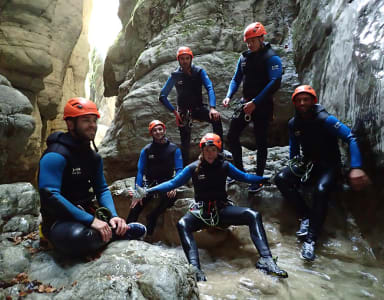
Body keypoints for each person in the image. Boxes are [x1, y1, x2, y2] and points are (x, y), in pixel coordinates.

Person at [131, 133, 288, 281]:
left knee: (252, 215)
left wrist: (263, 179)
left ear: (218, 151)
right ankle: (195, 268)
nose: (209, 153)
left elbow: (244, 177)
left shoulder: (225, 166)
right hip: (201, 211)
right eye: (206, 150)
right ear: (202, 150)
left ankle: (266, 259)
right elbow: (173, 183)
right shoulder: (193, 168)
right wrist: (147, 191)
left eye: (213, 150)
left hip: (222, 210)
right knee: (182, 224)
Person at [38, 97, 146, 257]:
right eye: (86, 120)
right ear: (70, 124)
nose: (92, 125)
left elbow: (101, 189)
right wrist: (91, 221)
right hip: (59, 218)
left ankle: (111, 231)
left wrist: (113, 216)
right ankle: (116, 234)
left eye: (94, 121)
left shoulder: (92, 157)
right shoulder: (56, 154)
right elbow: (49, 195)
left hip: (87, 213)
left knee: (89, 234)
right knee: (78, 238)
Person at [274, 85, 371, 261]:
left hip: (330, 165)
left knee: (321, 190)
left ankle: (311, 240)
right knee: (281, 178)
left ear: (313, 101)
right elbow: (294, 149)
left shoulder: (325, 119)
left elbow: (351, 137)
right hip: (309, 162)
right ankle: (306, 216)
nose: (303, 103)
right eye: (299, 100)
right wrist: (294, 166)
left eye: (306, 99)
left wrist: (356, 166)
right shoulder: (294, 123)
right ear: (295, 103)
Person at [222, 22, 282, 192]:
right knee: (232, 135)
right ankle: (240, 172)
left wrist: (256, 102)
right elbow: (236, 78)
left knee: (261, 141)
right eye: (247, 41)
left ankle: (258, 178)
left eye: (253, 41)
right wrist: (228, 95)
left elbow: (275, 82)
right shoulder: (244, 57)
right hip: (245, 102)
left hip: (262, 105)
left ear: (261, 38)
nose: (249, 44)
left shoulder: (271, 57)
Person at [159, 46, 223, 165]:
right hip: (183, 112)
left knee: (216, 119)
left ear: (191, 59)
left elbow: (209, 87)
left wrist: (212, 108)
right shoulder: (175, 75)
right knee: (185, 142)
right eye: (182, 58)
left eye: (187, 58)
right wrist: (175, 112)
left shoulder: (199, 71)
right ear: (178, 60)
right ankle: (185, 170)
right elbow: (162, 96)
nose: (184, 61)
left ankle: (219, 156)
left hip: (198, 108)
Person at [126, 120, 183, 235]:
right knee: (136, 204)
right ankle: (125, 231)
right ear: (151, 133)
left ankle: (152, 217)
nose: (158, 132)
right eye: (154, 130)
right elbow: (140, 171)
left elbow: (179, 169)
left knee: (170, 197)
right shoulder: (146, 150)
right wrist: (138, 190)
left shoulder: (174, 149)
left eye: (160, 129)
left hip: (166, 183)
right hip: (150, 183)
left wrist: (175, 185)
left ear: (164, 130)